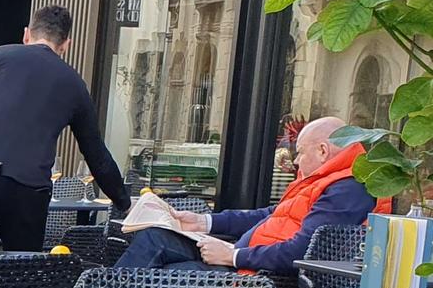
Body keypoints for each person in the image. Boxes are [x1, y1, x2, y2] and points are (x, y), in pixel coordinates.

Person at [0, 5, 128, 250]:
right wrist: (124, 202)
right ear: (66, 44)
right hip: (28, 189)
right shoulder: (75, 84)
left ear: (26, 34)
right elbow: (97, 156)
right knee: (22, 276)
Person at [118, 116, 383, 271]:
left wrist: (233, 255)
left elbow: (305, 250)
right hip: (239, 258)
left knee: (162, 276)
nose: (296, 162)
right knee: (154, 237)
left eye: (299, 153)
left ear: (323, 151)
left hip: (254, 277)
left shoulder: (348, 188)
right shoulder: (322, 179)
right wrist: (204, 222)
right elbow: (273, 215)